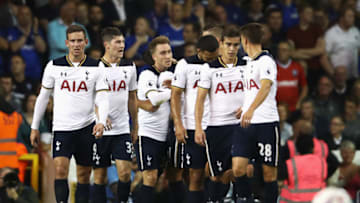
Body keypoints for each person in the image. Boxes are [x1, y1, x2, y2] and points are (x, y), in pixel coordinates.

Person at [30, 25, 109, 203]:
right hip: (62, 127)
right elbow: (43, 97)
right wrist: (35, 126)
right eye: (72, 41)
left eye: (79, 40)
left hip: (86, 127)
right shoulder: (54, 65)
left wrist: (101, 121)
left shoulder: (97, 66)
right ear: (66, 43)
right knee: (60, 169)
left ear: (86, 42)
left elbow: (103, 97)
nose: (76, 44)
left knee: (83, 175)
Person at [195, 25, 245, 202]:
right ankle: (215, 199)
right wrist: (199, 128)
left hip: (242, 126)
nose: (232, 49)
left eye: (236, 45)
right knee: (217, 175)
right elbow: (200, 100)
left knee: (244, 169)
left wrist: (248, 107)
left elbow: (261, 91)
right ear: (221, 43)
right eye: (229, 44)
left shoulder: (248, 65)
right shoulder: (209, 68)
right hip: (217, 127)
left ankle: (242, 198)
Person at [232, 23, 279, 203]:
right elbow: (253, 90)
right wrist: (244, 109)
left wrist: (251, 109)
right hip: (246, 123)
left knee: (268, 174)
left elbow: (266, 86)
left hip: (266, 123)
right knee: (238, 169)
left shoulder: (266, 61)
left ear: (244, 40)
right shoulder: (249, 63)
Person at [171, 35, 219, 203]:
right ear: (199, 51)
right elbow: (175, 95)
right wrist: (178, 124)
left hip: (216, 124)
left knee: (218, 173)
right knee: (195, 175)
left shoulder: (220, 64)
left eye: (214, 57)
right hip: (192, 125)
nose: (210, 61)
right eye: (208, 57)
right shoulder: (185, 65)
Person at [92, 27, 138, 203]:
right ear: (107, 45)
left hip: (122, 128)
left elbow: (132, 97)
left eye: (123, 42)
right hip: (100, 129)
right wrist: (101, 116)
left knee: (125, 173)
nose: (122, 46)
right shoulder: (95, 67)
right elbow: (87, 98)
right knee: (100, 176)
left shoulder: (129, 66)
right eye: (117, 42)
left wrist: (136, 126)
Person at [134, 36, 173, 203]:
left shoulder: (172, 74)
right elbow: (152, 104)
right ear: (154, 56)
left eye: (169, 52)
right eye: (162, 53)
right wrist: (176, 90)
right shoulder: (146, 74)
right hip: (148, 134)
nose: (167, 56)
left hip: (168, 135)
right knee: (149, 177)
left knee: (162, 179)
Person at [278, 132, 327, 203]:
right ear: (313, 148)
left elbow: (280, 177)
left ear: (297, 149)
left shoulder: (291, 164)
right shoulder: (322, 163)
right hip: (317, 200)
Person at [276, 40, 308, 112]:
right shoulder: (271, 67)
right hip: (276, 110)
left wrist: (299, 102)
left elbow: (304, 87)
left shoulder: (297, 67)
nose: (281, 53)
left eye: (284, 50)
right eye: (279, 50)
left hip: (294, 109)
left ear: (290, 52)